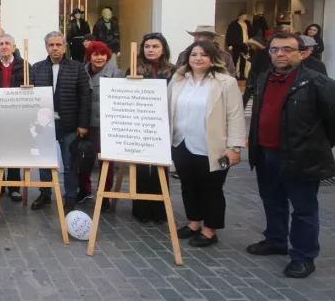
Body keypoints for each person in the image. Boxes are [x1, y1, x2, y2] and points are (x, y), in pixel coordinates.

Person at [246, 32, 335, 279]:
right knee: (272, 201)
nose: (280, 54)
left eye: (287, 49)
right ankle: (275, 240)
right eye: (274, 50)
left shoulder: (318, 83)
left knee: (304, 209)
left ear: (302, 53)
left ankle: (304, 256)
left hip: (301, 157)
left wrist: (314, 147)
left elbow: (331, 122)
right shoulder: (264, 78)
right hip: (266, 153)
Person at [170, 41, 245, 248]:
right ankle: (193, 223)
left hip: (214, 147)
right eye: (194, 54)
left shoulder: (226, 82)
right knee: (188, 185)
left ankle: (210, 230)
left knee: (212, 189)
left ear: (213, 58)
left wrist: (234, 146)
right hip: (181, 143)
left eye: (204, 54)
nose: (198, 58)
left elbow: (235, 116)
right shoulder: (177, 80)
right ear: (187, 58)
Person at [29, 31, 90, 212]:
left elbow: (84, 97)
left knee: (69, 162)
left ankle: (70, 196)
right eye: (51, 45)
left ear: (64, 47)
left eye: (58, 45)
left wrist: (83, 124)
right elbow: (31, 96)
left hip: (69, 124)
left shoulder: (77, 68)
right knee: (45, 160)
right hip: (45, 124)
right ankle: (45, 194)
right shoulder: (37, 68)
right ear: (46, 47)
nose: (54, 48)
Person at [130, 33, 176, 224]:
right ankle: (141, 209)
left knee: (160, 166)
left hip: (163, 124)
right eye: (147, 46)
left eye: (155, 46)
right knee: (140, 166)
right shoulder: (134, 69)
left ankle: (159, 210)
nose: (150, 50)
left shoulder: (174, 72)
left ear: (163, 48)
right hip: (140, 124)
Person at [0, 34, 30, 202]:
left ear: (14, 46)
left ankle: (14, 187)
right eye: (0, 44)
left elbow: (32, 90)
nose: (3, 46)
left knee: (14, 152)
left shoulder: (24, 67)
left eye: (7, 43)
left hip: (16, 117)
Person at [82, 41, 123, 212]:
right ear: (89, 56)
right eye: (95, 54)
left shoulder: (116, 74)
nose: (99, 58)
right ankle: (84, 190)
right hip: (85, 123)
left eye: (102, 54)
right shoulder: (82, 71)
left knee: (106, 161)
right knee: (83, 158)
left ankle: (104, 195)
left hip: (104, 124)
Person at [226, 13, 252, 80]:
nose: (245, 17)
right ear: (240, 16)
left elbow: (250, 33)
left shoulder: (247, 24)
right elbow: (229, 34)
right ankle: (234, 74)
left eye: (246, 16)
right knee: (235, 59)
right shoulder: (233, 25)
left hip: (245, 44)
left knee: (244, 60)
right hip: (236, 44)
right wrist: (229, 44)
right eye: (243, 15)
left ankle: (242, 74)